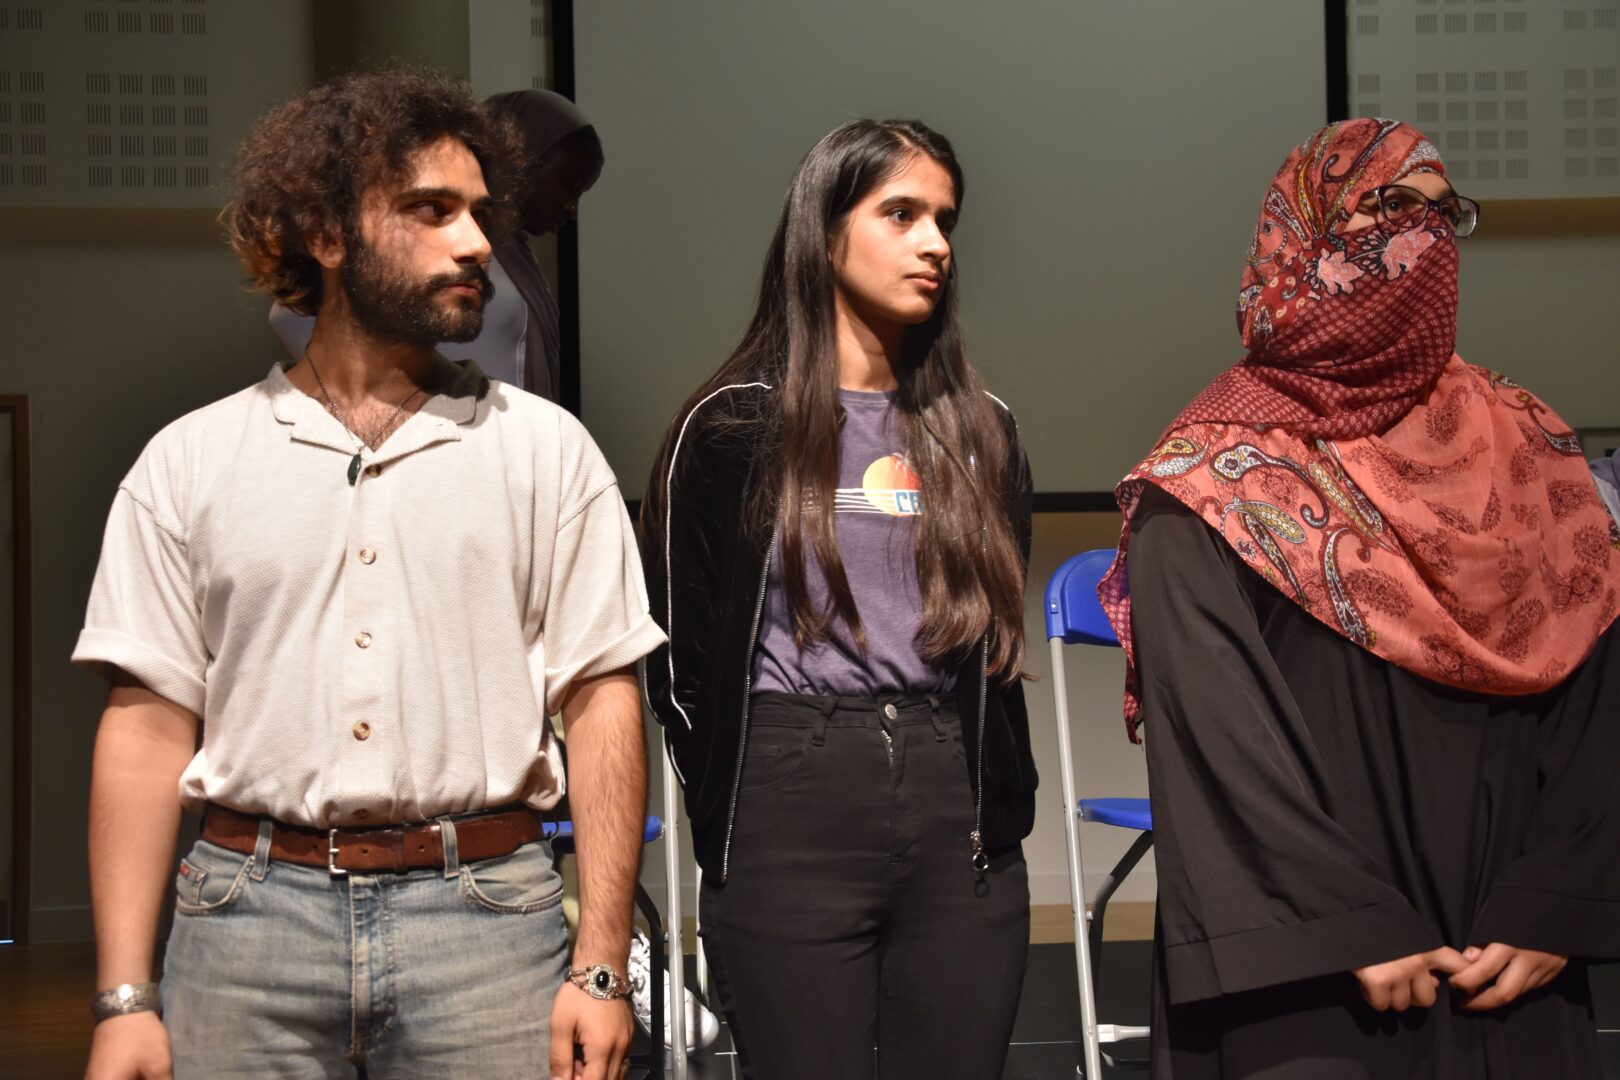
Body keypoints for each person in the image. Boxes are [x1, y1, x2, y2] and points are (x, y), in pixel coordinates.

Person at [77, 70, 662, 1080]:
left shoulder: (549, 454)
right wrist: (123, 999)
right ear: (325, 231)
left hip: (485, 924)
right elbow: (145, 728)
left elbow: (603, 701)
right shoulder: (190, 461)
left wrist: (602, 966)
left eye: (480, 213)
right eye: (432, 210)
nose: (476, 243)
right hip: (245, 928)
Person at [1100, 118, 1620, 1078]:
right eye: (1386, 206)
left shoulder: (1528, 449)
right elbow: (1215, 737)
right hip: (1316, 984)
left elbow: (1600, 677)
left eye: (1441, 214)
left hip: (1508, 954)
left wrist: (1558, 900)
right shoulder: (1210, 479)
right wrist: (1342, 923)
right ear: (1300, 233)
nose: (1420, 238)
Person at [641, 119, 1037, 1080]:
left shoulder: (983, 431)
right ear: (823, 235)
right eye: (900, 214)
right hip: (791, 797)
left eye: (944, 219)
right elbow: (677, 659)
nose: (934, 243)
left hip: (956, 808)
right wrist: (737, 803)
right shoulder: (728, 428)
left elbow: (993, 651)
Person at [267, 88, 603, 401]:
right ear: (522, 159)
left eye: (480, 213)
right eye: (568, 184)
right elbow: (290, 315)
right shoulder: (415, 249)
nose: (478, 246)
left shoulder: (515, 258)